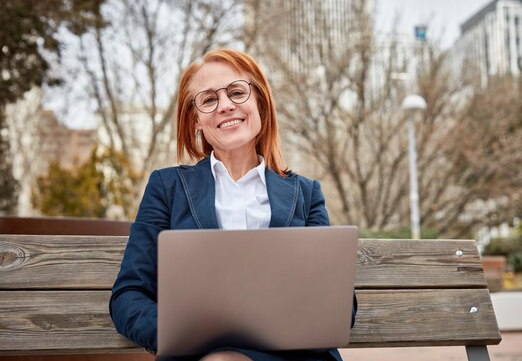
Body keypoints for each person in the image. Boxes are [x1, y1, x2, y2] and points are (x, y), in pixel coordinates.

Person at [109, 48, 357, 361]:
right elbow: (129, 295)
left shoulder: (306, 194)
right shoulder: (167, 188)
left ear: (260, 106)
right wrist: (179, 335)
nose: (225, 105)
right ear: (196, 120)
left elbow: (338, 305)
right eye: (209, 99)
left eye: (237, 92)